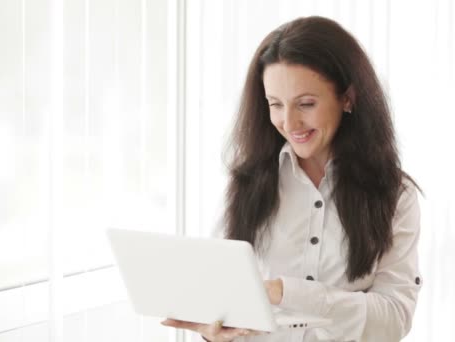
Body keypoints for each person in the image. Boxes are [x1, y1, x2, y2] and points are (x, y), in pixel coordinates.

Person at [161, 16, 422, 342]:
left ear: (347, 97)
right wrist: (214, 332)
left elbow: (393, 320)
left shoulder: (395, 195)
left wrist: (285, 292)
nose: (289, 122)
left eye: (306, 103)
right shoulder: (246, 184)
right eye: (275, 104)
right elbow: (225, 300)